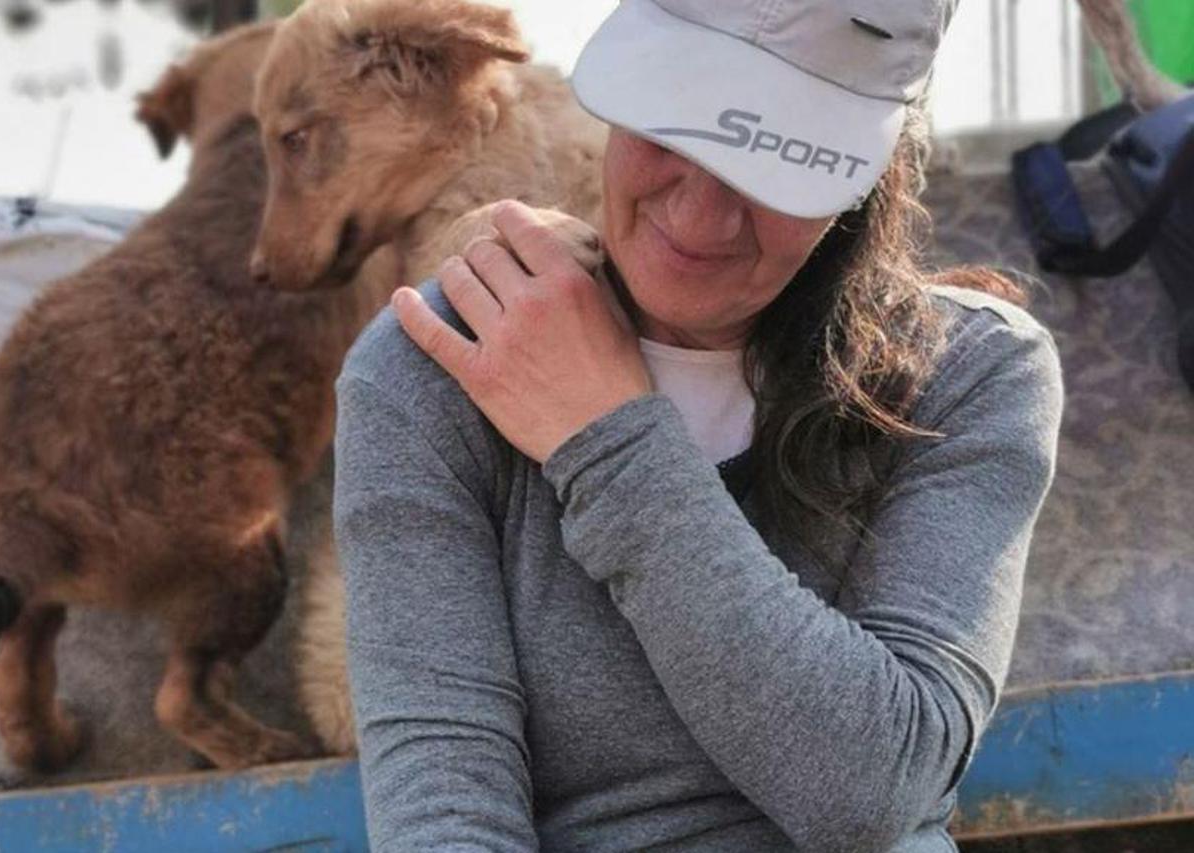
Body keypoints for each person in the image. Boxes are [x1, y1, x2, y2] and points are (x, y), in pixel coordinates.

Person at [333, 0, 1064, 850]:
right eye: (674, 129)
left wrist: (606, 437)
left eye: (774, 169)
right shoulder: (435, 370)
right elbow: (445, 809)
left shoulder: (969, 372)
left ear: (869, 175)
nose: (699, 219)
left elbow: (876, 787)